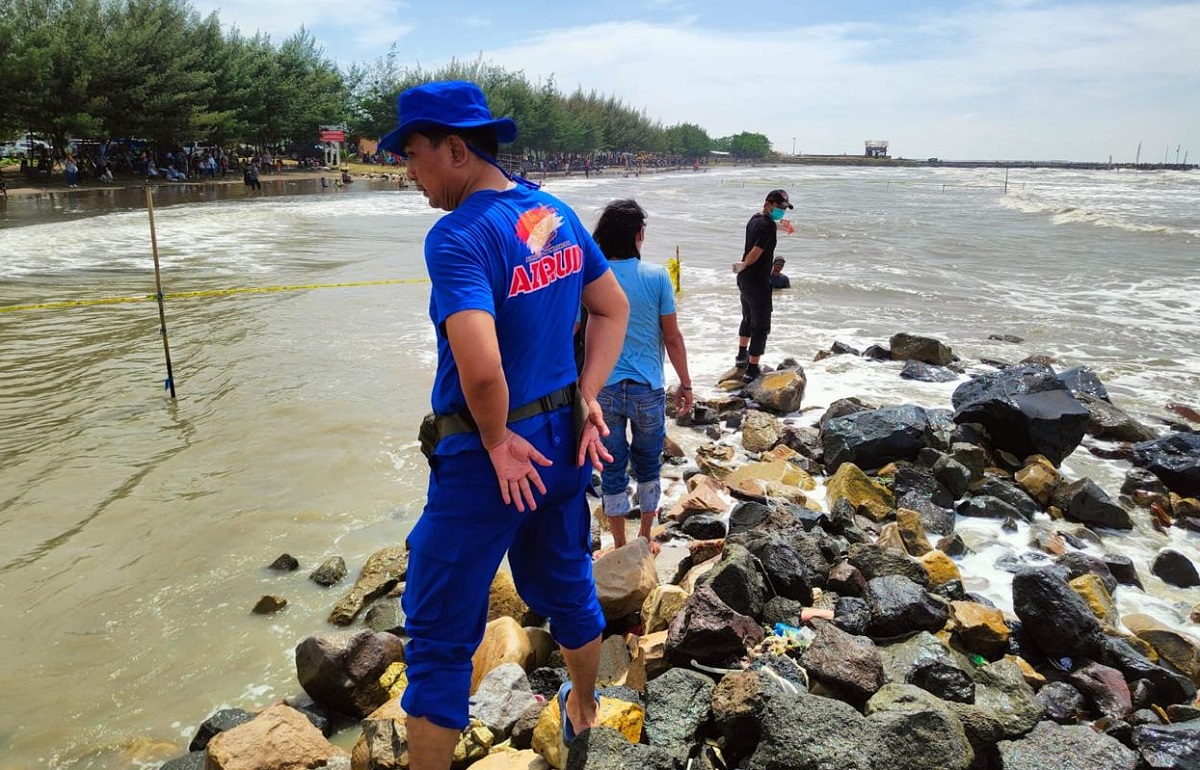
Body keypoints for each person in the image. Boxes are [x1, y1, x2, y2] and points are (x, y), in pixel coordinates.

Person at [379, 80, 629, 770]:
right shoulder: (553, 213)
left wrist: (492, 439)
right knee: (567, 583)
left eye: (413, 152)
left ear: (456, 149)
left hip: (493, 462)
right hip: (562, 445)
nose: (408, 169)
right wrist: (586, 394)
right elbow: (610, 309)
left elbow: (483, 370)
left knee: (436, 641)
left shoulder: (457, 236)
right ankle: (582, 708)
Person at [591, 199, 692, 555]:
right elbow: (672, 337)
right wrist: (686, 383)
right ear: (638, 235)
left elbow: (573, 331)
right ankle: (646, 537)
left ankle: (618, 545)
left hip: (602, 389)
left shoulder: (592, 274)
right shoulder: (657, 276)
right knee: (649, 464)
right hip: (648, 388)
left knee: (612, 467)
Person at [733, 189, 792, 380]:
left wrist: (743, 267)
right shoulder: (767, 225)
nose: (782, 211)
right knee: (761, 325)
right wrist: (746, 263)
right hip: (757, 280)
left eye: (784, 208)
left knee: (748, 317)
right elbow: (757, 251)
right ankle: (752, 369)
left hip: (744, 279)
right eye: (779, 207)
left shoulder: (754, 219)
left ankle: (741, 355)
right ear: (768, 203)